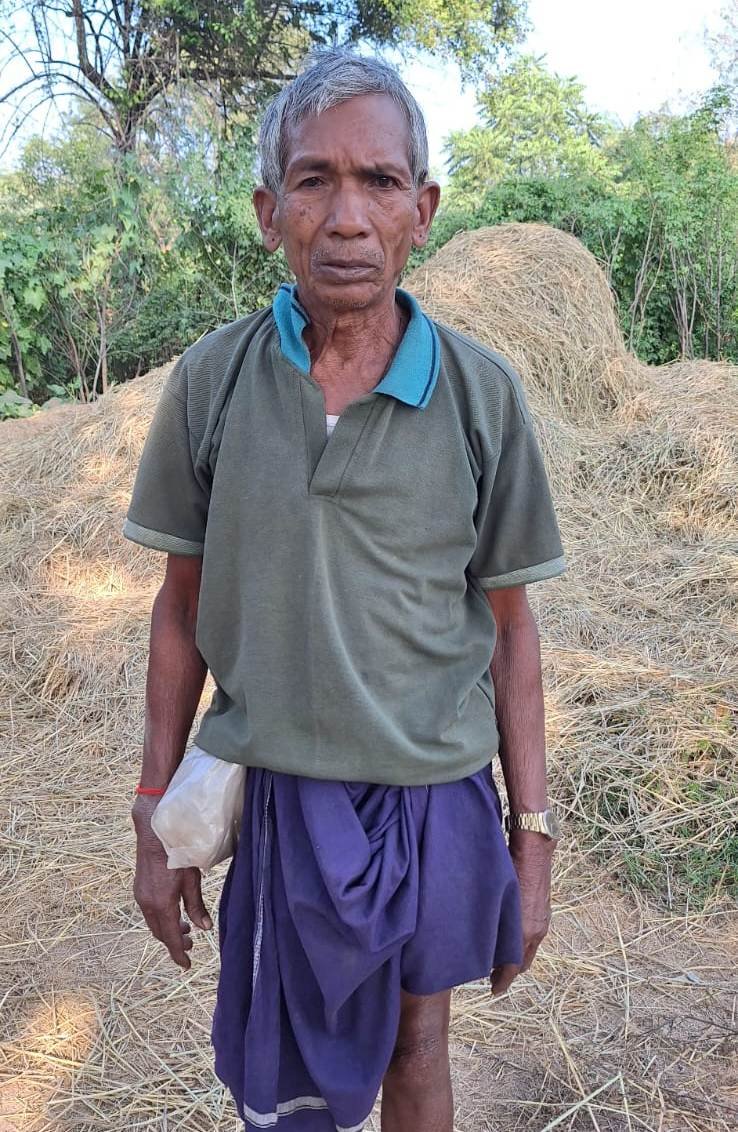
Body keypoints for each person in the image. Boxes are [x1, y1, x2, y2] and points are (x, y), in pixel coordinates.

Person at [126, 48, 566, 1132]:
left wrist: (534, 836)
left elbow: (512, 631)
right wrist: (153, 811)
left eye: (380, 181)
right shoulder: (212, 383)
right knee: (288, 1078)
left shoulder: (482, 395)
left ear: (423, 211)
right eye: (314, 179)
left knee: (419, 1048)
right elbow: (180, 609)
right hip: (285, 794)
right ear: (269, 211)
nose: (348, 217)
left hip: (434, 790)